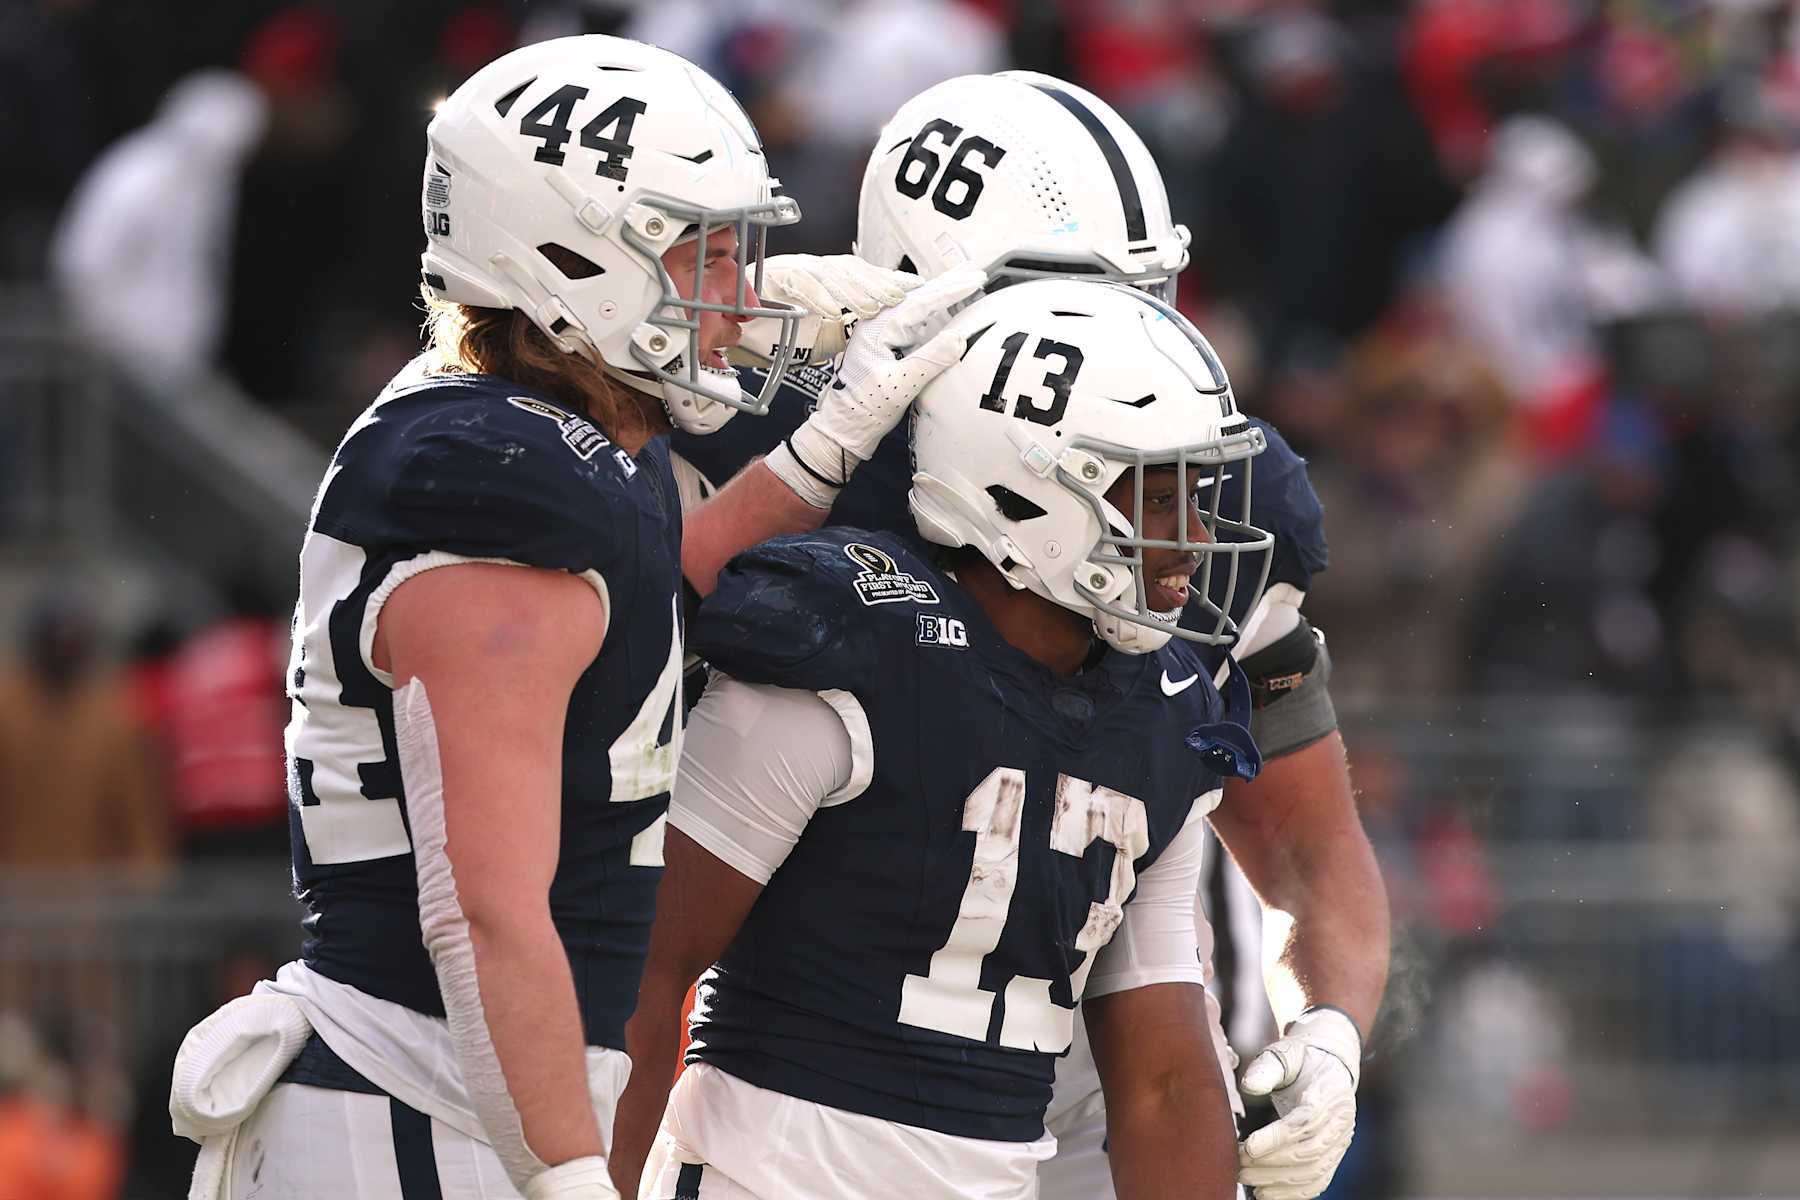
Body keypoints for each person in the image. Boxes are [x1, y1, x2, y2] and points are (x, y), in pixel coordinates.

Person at [168, 35, 982, 1200]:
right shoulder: (500, 472)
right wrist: (564, 1180)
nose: (741, 298)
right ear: (571, 260)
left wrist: (822, 446)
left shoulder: (569, 433)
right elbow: (484, 914)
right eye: (704, 255)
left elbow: (649, 605)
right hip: (423, 1108)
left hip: (463, 1097)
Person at [669, 70, 1389, 1200]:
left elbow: (1301, 835)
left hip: (1081, 1003)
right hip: (805, 1045)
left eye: (1142, 297)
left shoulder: (1210, 487)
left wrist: (1333, 1028)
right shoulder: (753, 413)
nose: (1117, 340)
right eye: (1065, 299)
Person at [613, 277, 1272, 1200]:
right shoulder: (854, 640)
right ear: (1029, 486)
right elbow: (649, 965)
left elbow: (1165, 1078)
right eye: (1161, 500)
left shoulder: (1164, 711)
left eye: (1197, 496)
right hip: (762, 1174)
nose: (1195, 539)